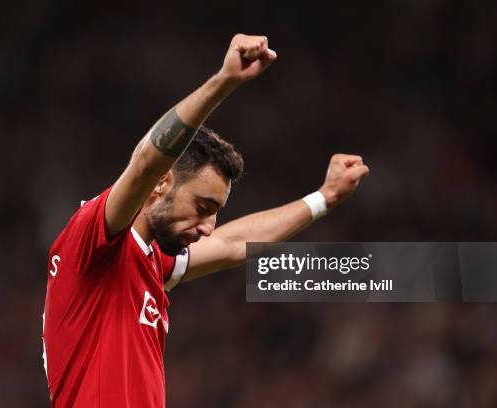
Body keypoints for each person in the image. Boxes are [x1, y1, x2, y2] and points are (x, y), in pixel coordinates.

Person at [41, 33, 369, 407]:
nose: (207, 227)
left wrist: (323, 198)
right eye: (202, 207)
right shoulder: (94, 243)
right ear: (162, 183)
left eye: (215, 212)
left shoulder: (149, 261)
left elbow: (231, 246)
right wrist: (224, 81)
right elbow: (148, 159)